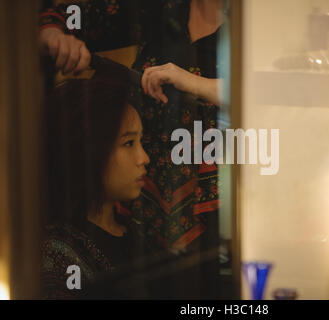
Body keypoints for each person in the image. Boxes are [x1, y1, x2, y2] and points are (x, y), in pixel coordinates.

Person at [39, 0, 225, 298]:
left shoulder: (250, 26)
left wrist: (191, 82)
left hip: (211, 209)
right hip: (140, 207)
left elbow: (261, 93)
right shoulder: (155, 8)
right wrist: (53, 34)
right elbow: (68, 15)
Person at [41, 77, 150, 299]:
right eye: (129, 143)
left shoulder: (135, 230)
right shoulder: (57, 253)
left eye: (141, 142)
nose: (144, 158)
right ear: (88, 150)